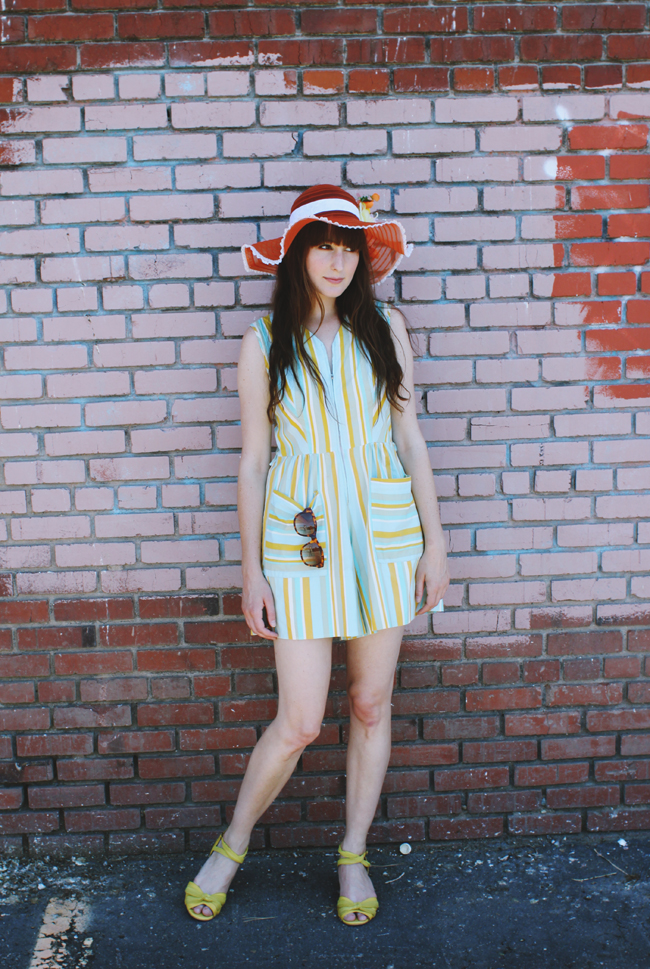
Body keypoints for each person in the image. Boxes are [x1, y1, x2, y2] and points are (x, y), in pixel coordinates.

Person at [184, 185, 449, 926]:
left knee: (369, 704)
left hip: (386, 538)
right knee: (300, 720)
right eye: (323, 246)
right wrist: (251, 571)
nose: (337, 262)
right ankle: (233, 844)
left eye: (348, 248)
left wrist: (436, 543)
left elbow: (410, 439)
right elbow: (253, 461)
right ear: (298, 254)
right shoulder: (263, 341)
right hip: (299, 546)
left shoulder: (386, 327)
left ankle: (353, 854)